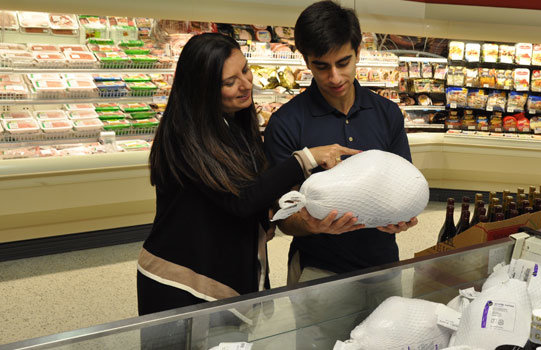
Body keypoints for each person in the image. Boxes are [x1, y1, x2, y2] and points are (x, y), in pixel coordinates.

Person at [138, 32, 358, 332]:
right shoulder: (184, 137)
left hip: (222, 278)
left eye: (245, 69)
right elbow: (240, 200)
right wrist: (303, 159)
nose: (246, 84)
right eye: (230, 82)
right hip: (183, 283)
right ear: (202, 89)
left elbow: (249, 194)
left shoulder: (235, 125)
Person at [263, 0, 418, 287]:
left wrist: (404, 216)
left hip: (383, 265)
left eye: (343, 62)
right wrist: (309, 222)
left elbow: (402, 184)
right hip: (318, 273)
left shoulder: (387, 113)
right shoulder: (285, 123)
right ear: (305, 59)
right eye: (321, 66)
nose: (334, 77)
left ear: (358, 52)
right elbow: (282, 215)